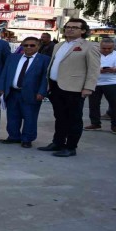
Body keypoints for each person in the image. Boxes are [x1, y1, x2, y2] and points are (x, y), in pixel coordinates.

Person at [39, 19, 100, 157]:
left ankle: (71, 147)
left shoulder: (90, 46)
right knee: (59, 117)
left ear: (83, 31)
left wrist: (88, 87)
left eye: (75, 27)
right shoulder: (58, 45)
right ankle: (58, 142)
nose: (70, 29)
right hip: (55, 86)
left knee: (74, 119)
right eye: (68, 27)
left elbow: (94, 69)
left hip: (75, 88)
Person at [0, 37, 50, 148]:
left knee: (30, 117)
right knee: (12, 116)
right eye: (25, 45)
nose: (28, 47)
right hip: (12, 93)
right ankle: (13, 136)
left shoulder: (44, 59)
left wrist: (42, 92)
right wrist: (2, 88)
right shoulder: (13, 58)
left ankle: (27, 139)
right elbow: (4, 73)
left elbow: (45, 78)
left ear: (38, 46)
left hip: (32, 93)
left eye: (32, 45)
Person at [84, 38, 116, 133]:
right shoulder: (94, 54)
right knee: (93, 104)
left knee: (115, 105)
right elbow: (87, 67)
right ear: (99, 46)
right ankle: (95, 124)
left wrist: (114, 70)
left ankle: (115, 126)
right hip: (95, 82)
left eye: (109, 48)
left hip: (112, 83)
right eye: (104, 48)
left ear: (113, 47)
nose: (106, 50)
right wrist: (99, 70)